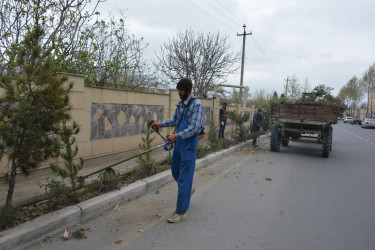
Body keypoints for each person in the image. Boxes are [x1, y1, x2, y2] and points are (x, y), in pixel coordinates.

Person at [151, 78, 204, 223]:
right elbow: (175, 120)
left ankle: (181, 212)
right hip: (179, 143)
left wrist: (176, 136)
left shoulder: (197, 105)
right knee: (175, 171)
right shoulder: (180, 104)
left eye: (181, 91)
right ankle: (188, 189)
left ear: (188, 90)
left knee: (184, 177)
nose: (179, 93)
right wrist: (160, 124)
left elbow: (194, 128)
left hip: (188, 145)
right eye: (178, 90)